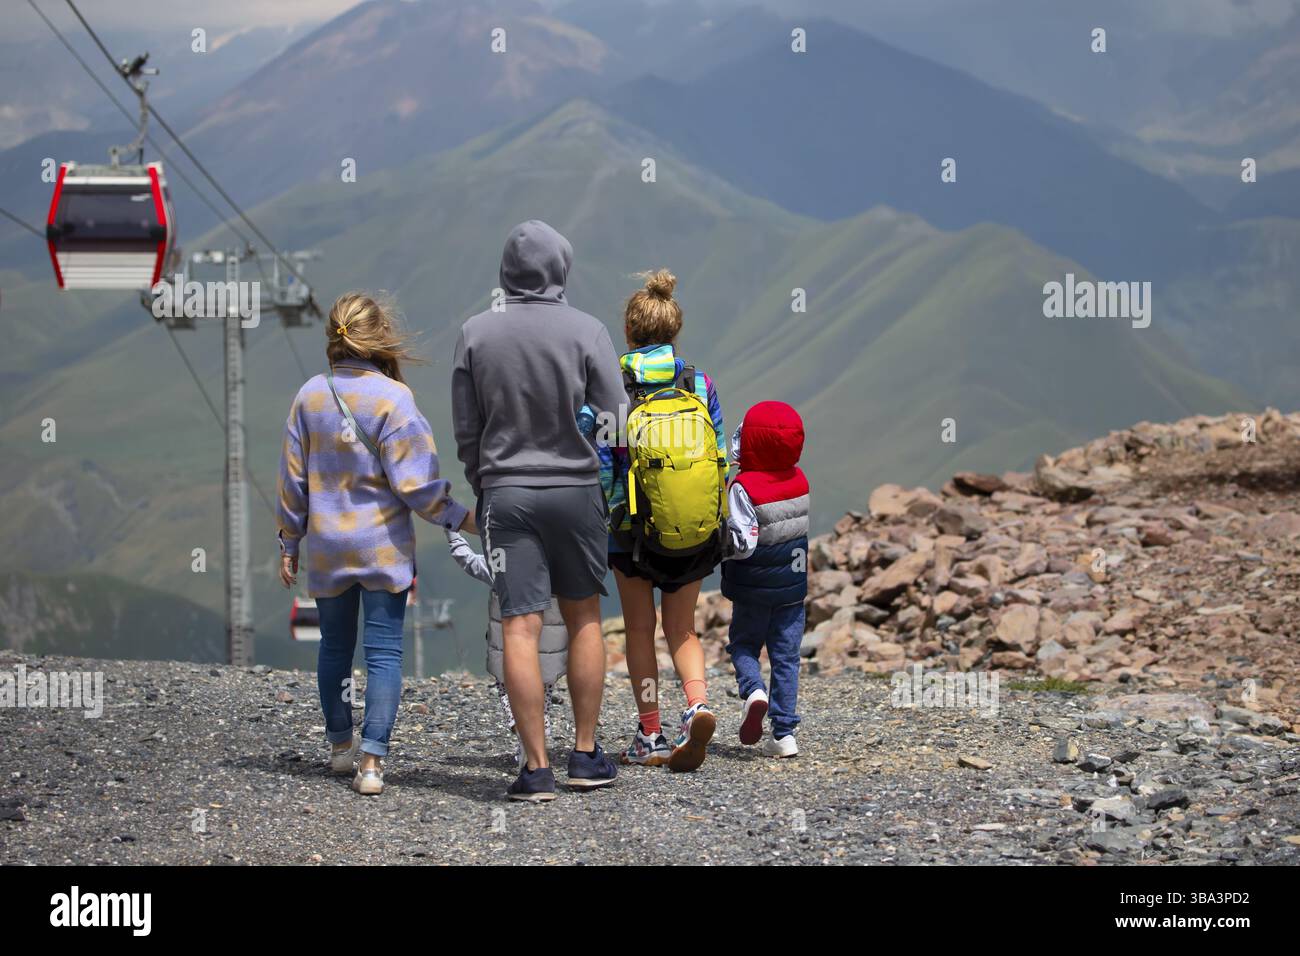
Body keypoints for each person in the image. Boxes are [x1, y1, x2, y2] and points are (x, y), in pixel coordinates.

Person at [451, 220, 625, 802]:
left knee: (520, 626)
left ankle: (535, 768)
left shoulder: (475, 333)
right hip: (575, 491)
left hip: (506, 493)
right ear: (560, 267)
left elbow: (466, 429)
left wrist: (485, 483)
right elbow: (616, 420)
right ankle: (584, 752)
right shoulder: (587, 331)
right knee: (583, 620)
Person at [276, 292, 474, 796]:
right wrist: (461, 518)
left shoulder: (308, 396)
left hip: (326, 547)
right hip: (382, 549)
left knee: (334, 649)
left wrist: (289, 541)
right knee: (384, 653)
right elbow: (417, 486)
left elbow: (293, 482)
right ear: (378, 336)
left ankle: (340, 747)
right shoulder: (394, 399)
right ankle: (371, 763)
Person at [599, 269, 726, 772]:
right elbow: (716, 451)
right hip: (693, 526)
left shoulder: (613, 385)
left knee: (638, 629)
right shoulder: (699, 382)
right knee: (682, 628)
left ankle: (650, 732)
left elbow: (603, 455)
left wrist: (612, 513)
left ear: (629, 334)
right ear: (674, 333)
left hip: (631, 532)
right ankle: (697, 705)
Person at [721, 401, 809, 757]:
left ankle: (753, 690)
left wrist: (719, 540)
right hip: (792, 589)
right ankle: (784, 735)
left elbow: (744, 543)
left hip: (753, 588)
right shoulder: (800, 480)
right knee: (786, 657)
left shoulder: (744, 487)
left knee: (743, 644)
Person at [445, 528, 565, 771]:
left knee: (509, 693)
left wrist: (451, 530)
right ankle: (537, 745)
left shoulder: (500, 566)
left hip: (510, 650)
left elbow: (465, 558)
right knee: (543, 698)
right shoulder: (558, 567)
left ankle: (527, 746)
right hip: (549, 650)